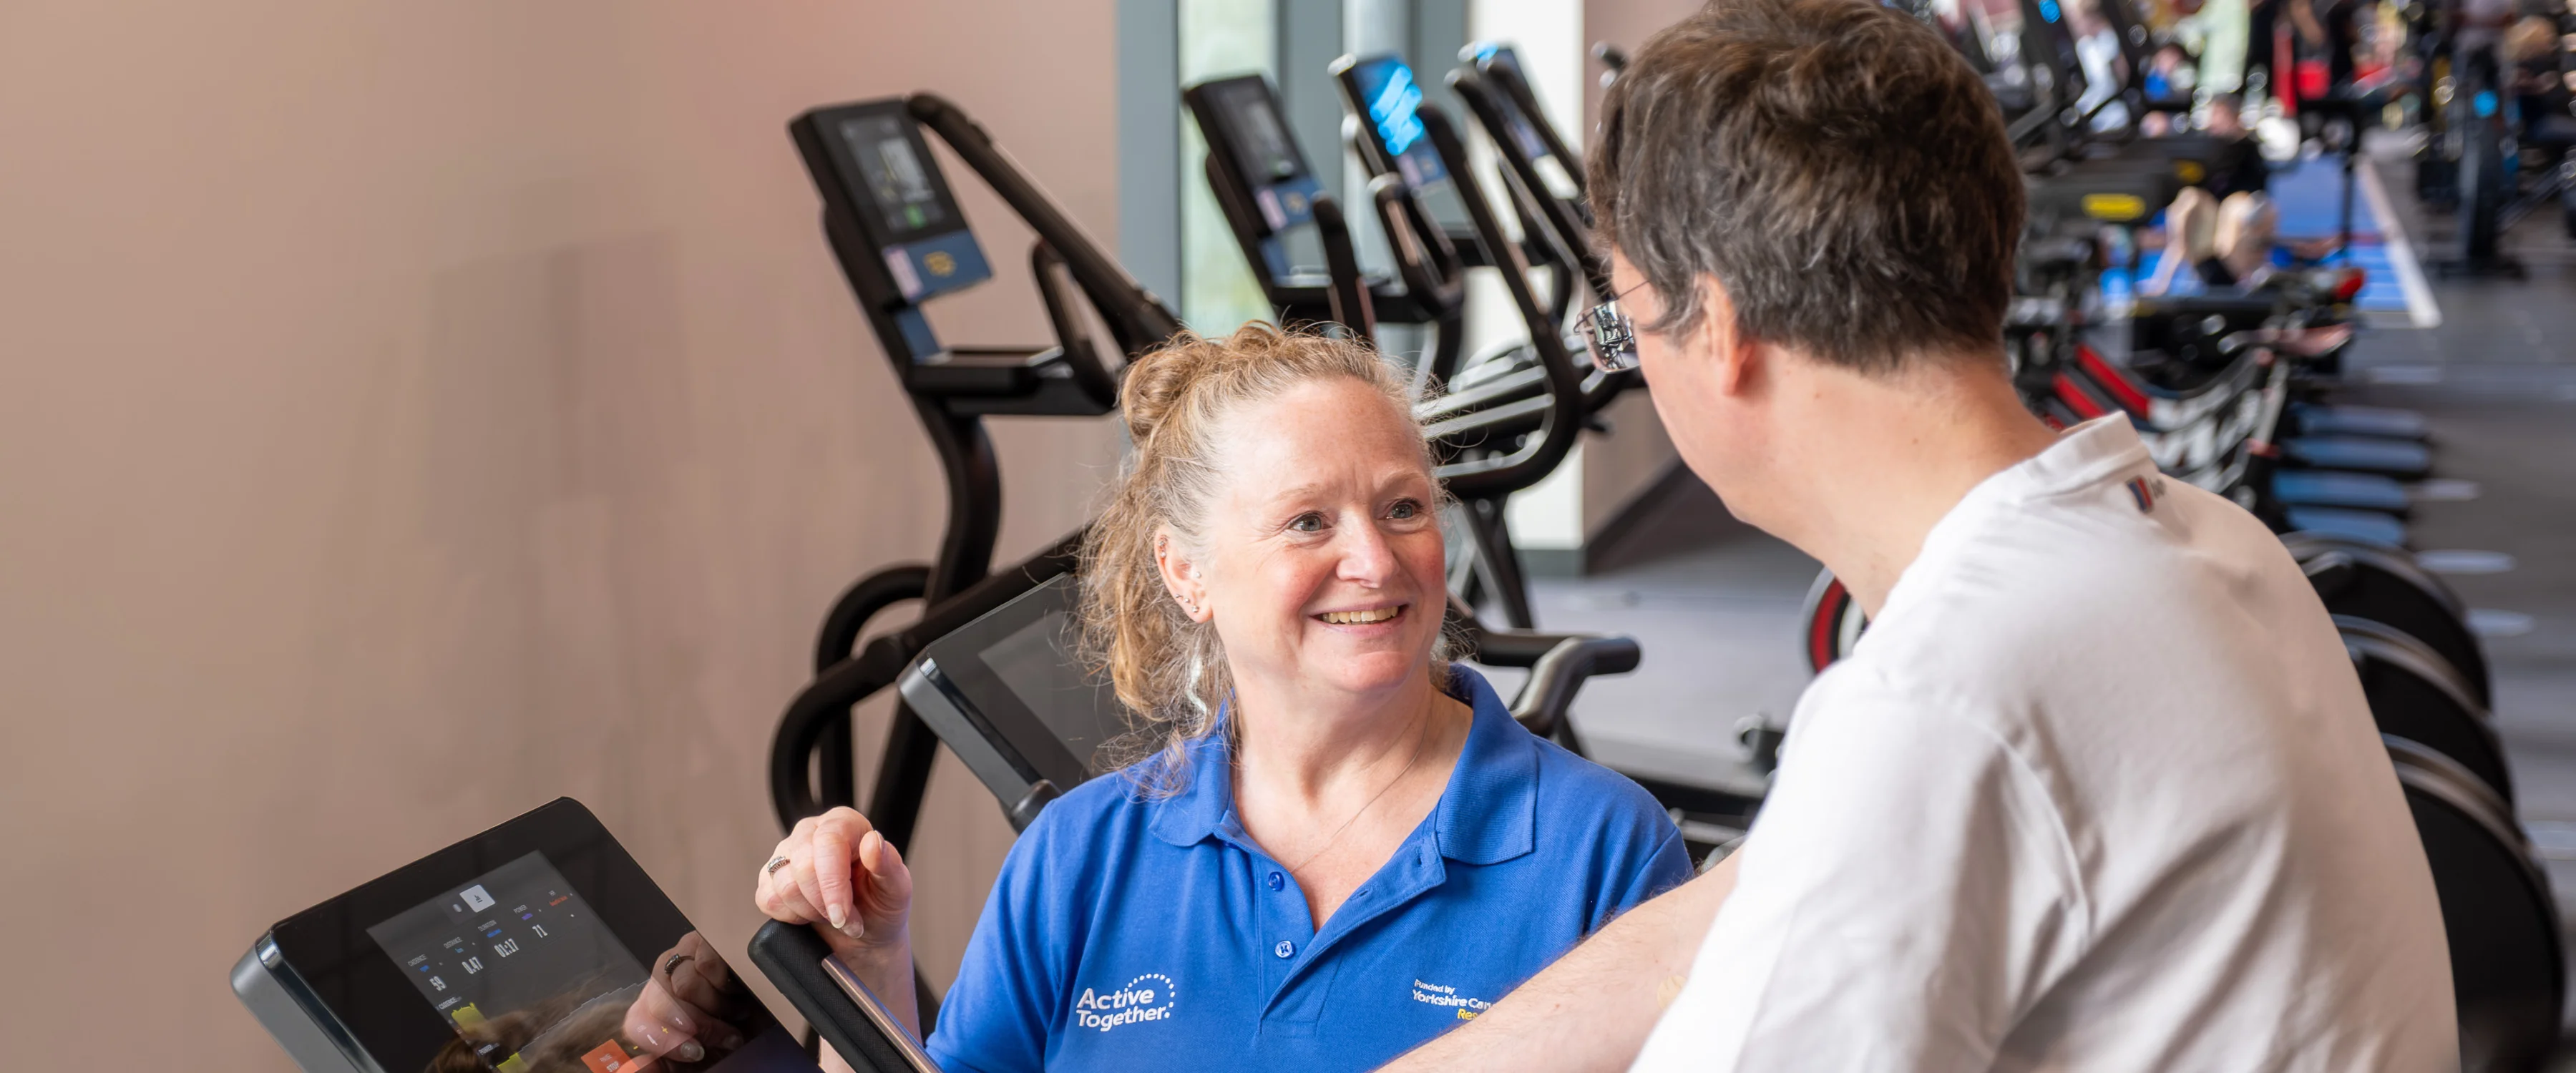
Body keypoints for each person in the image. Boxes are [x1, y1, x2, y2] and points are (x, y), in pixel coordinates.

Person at [1383, 0, 2455, 1069]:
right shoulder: (2211, 542)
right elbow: (1750, 904)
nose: (1627, 360)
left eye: (1619, 322)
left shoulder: (1945, 703)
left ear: (1716, 329)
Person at [756, 325, 1692, 1072]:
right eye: (1307, 522)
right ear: (1186, 570)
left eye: (1404, 507)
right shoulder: (1079, 857)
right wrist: (870, 964)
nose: (1374, 560)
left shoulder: (1600, 852)